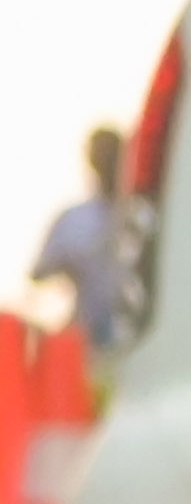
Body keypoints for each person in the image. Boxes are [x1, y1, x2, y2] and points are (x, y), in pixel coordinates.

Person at [27, 126, 135, 357]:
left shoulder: (139, 214)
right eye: (101, 154)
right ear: (91, 161)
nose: (106, 161)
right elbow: (38, 276)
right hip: (89, 342)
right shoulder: (74, 220)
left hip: (136, 337)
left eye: (111, 153)